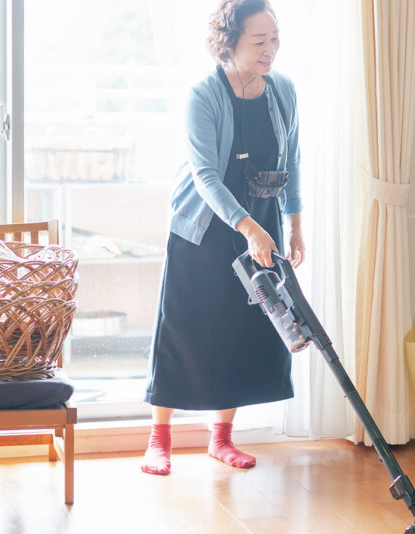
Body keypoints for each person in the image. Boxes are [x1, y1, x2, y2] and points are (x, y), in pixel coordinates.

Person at [141, 0, 304, 476]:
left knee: (240, 329)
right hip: (203, 229)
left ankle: (222, 439)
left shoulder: (283, 91)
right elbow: (205, 177)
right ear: (228, 43)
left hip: (260, 224)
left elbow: (293, 162)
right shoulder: (203, 96)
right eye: (259, 41)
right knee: (184, 330)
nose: (270, 49)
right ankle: (159, 439)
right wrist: (249, 227)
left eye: (274, 39)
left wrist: (294, 226)